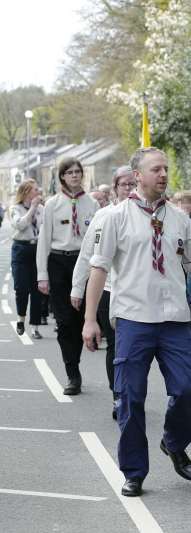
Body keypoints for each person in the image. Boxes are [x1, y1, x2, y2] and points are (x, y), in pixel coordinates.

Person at [81, 146, 191, 497]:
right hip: (133, 318)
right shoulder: (113, 217)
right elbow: (98, 270)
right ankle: (134, 471)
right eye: (155, 169)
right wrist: (90, 320)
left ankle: (174, 442)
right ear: (137, 175)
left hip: (174, 319)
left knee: (189, 387)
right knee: (131, 397)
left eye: (166, 168)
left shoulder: (179, 218)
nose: (163, 174)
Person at [71, 166, 136, 418]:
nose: (129, 189)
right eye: (124, 185)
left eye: (133, 184)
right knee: (115, 344)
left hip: (134, 292)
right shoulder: (105, 216)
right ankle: (117, 395)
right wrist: (78, 288)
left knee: (132, 346)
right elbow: (88, 253)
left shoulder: (148, 215)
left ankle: (131, 392)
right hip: (108, 289)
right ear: (115, 188)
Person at [37, 157, 100, 394]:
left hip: (82, 263)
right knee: (63, 321)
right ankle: (72, 373)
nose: (74, 175)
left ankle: (75, 361)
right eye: (69, 172)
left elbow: (97, 238)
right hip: (58, 262)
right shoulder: (53, 204)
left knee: (80, 318)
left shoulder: (92, 205)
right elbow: (44, 241)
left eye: (77, 172)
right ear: (62, 176)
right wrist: (42, 275)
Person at [10, 179, 44, 339]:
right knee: (21, 287)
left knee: (38, 289)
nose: (38, 192)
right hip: (21, 248)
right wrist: (33, 208)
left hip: (37, 248)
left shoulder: (42, 209)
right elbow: (21, 224)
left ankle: (35, 327)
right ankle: (20, 319)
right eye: (35, 190)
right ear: (27, 192)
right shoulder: (15, 208)